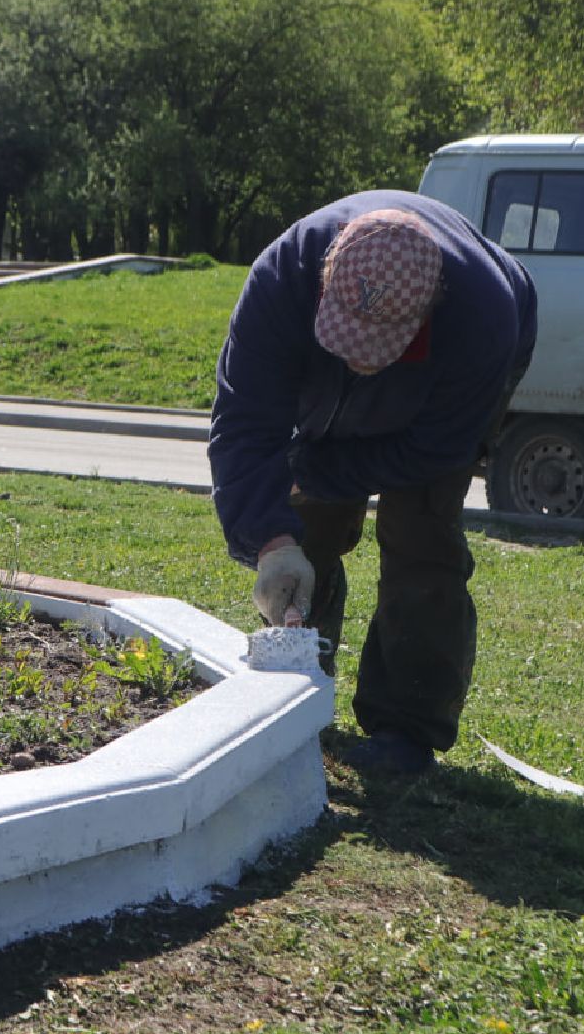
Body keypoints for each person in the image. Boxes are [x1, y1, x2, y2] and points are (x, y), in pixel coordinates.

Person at [208, 190, 538, 776]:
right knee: (304, 522)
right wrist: (272, 542)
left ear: (431, 305)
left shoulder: (483, 317)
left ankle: (406, 727)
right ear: (325, 279)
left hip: (452, 378)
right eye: (345, 340)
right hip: (333, 351)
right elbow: (244, 425)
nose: (358, 361)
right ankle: (298, 687)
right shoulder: (282, 278)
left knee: (421, 531)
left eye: (375, 347)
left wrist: (313, 470)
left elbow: (432, 450)